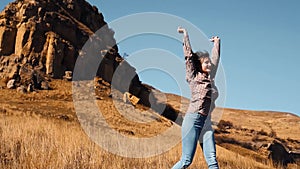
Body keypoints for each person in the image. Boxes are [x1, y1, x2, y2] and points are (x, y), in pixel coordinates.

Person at [172, 27, 221, 169]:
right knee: (186, 161)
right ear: (199, 65)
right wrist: (185, 35)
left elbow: (216, 60)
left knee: (212, 161)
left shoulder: (211, 78)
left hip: (206, 122)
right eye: (205, 62)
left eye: (209, 62)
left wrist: (217, 43)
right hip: (193, 120)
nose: (209, 64)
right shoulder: (194, 76)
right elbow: (188, 56)